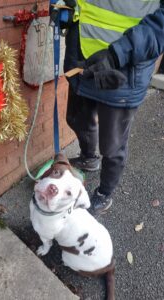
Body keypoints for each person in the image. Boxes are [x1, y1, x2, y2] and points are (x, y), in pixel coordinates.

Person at [60, 0, 164, 215]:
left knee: (112, 146)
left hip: (123, 73)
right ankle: (89, 158)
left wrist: (117, 54)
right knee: (77, 119)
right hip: (82, 64)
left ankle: (104, 194)